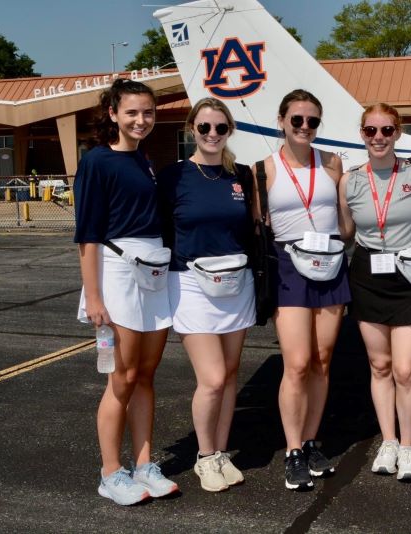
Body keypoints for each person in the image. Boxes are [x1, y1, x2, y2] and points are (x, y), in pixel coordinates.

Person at [73, 79, 178, 505]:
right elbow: (88, 235)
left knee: (147, 375)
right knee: (122, 378)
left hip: (153, 269)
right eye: (132, 112)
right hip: (117, 273)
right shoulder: (97, 161)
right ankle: (110, 472)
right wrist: (94, 297)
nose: (141, 120)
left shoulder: (147, 162)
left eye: (148, 112)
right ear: (113, 113)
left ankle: (144, 463)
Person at [156, 98, 255, 493]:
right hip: (191, 284)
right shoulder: (175, 176)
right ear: (190, 129)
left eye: (220, 128)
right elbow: (160, 228)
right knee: (212, 378)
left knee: (230, 375)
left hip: (236, 282)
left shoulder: (242, 176)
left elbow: (254, 227)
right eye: (205, 128)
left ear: (229, 131)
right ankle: (204, 456)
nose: (212, 134)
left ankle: (221, 451)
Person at [253, 89, 349, 491]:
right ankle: (292, 449)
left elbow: (345, 219)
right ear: (281, 120)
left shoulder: (332, 163)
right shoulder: (265, 168)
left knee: (322, 361)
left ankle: (311, 441)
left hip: (330, 262)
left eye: (312, 121)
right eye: (297, 120)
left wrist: (340, 247)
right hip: (289, 266)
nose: (305, 127)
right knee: (295, 362)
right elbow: (259, 223)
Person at [338, 103, 411, 481]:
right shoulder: (349, 180)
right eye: (371, 131)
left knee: (406, 369)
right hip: (368, 275)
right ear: (362, 133)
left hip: (410, 276)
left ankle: (409, 447)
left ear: (398, 132)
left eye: (387, 130)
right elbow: (346, 232)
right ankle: (389, 440)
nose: (379, 137)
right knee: (379, 366)